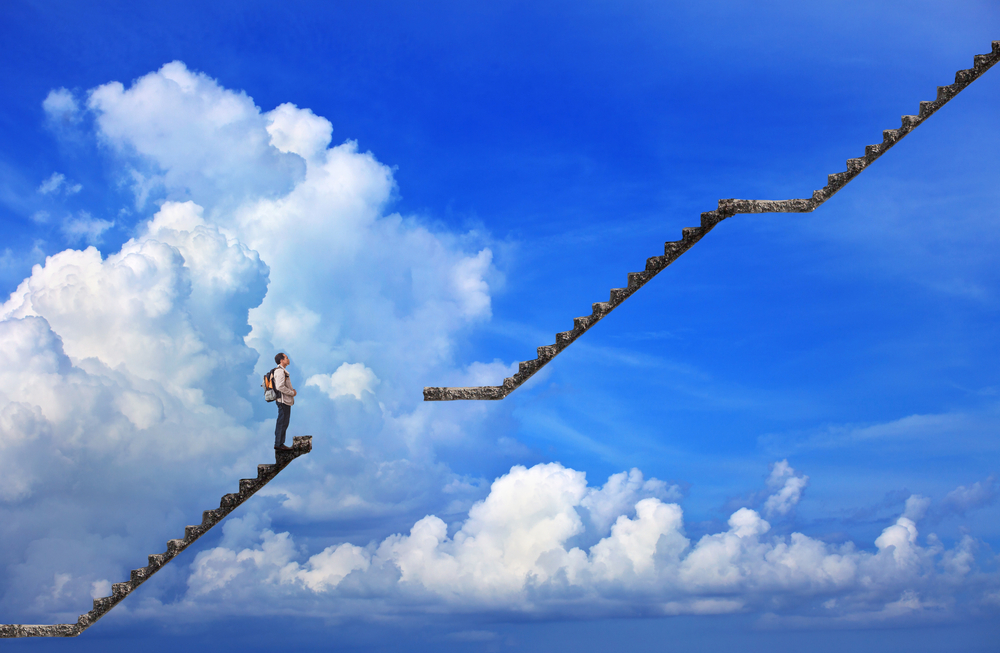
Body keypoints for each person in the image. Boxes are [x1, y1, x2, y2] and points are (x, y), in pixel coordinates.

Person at [273, 352, 297, 451]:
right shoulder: (280, 371)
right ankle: (279, 444)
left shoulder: (282, 371)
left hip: (284, 401)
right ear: (281, 360)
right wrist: (291, 392)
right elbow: (279, 386)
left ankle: (279, 443)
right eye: (286, 358)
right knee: (282, 423)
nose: (288, 359)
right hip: (283, 401)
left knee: (283, 422)